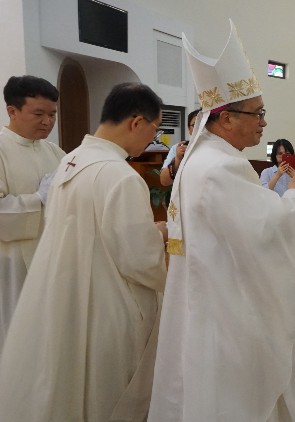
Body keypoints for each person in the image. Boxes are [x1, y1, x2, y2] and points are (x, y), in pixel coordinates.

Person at [149, 20, 295, 421]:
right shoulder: (220, 167)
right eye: (257, 113)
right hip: (223, 305)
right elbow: (268, 231)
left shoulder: (201, 158)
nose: (264, 122)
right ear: (226, 119)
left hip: (204, 292)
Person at [0, 82, 168, 420]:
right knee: (104, 393)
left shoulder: (70, 159)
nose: (154, 139)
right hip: (109, 304)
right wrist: (161, 239)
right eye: (155, 130)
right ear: (136, 122)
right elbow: (140, 260)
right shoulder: (120, 175)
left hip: (69, 290)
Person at [0, 75, 65, 350]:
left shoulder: (56, 152)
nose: (47, 122)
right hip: (11, 263)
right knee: (15, 336)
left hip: (52, 256)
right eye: (38, 114)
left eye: (52, 114)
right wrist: (37, 199)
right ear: (12, 110)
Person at [160, 108, 200, 186]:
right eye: (195, 125)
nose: (199, 129)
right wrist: (178, 159)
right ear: (189, 129)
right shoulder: (178, 148)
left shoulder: (217, 148)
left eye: (203, 125)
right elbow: (164, 181)